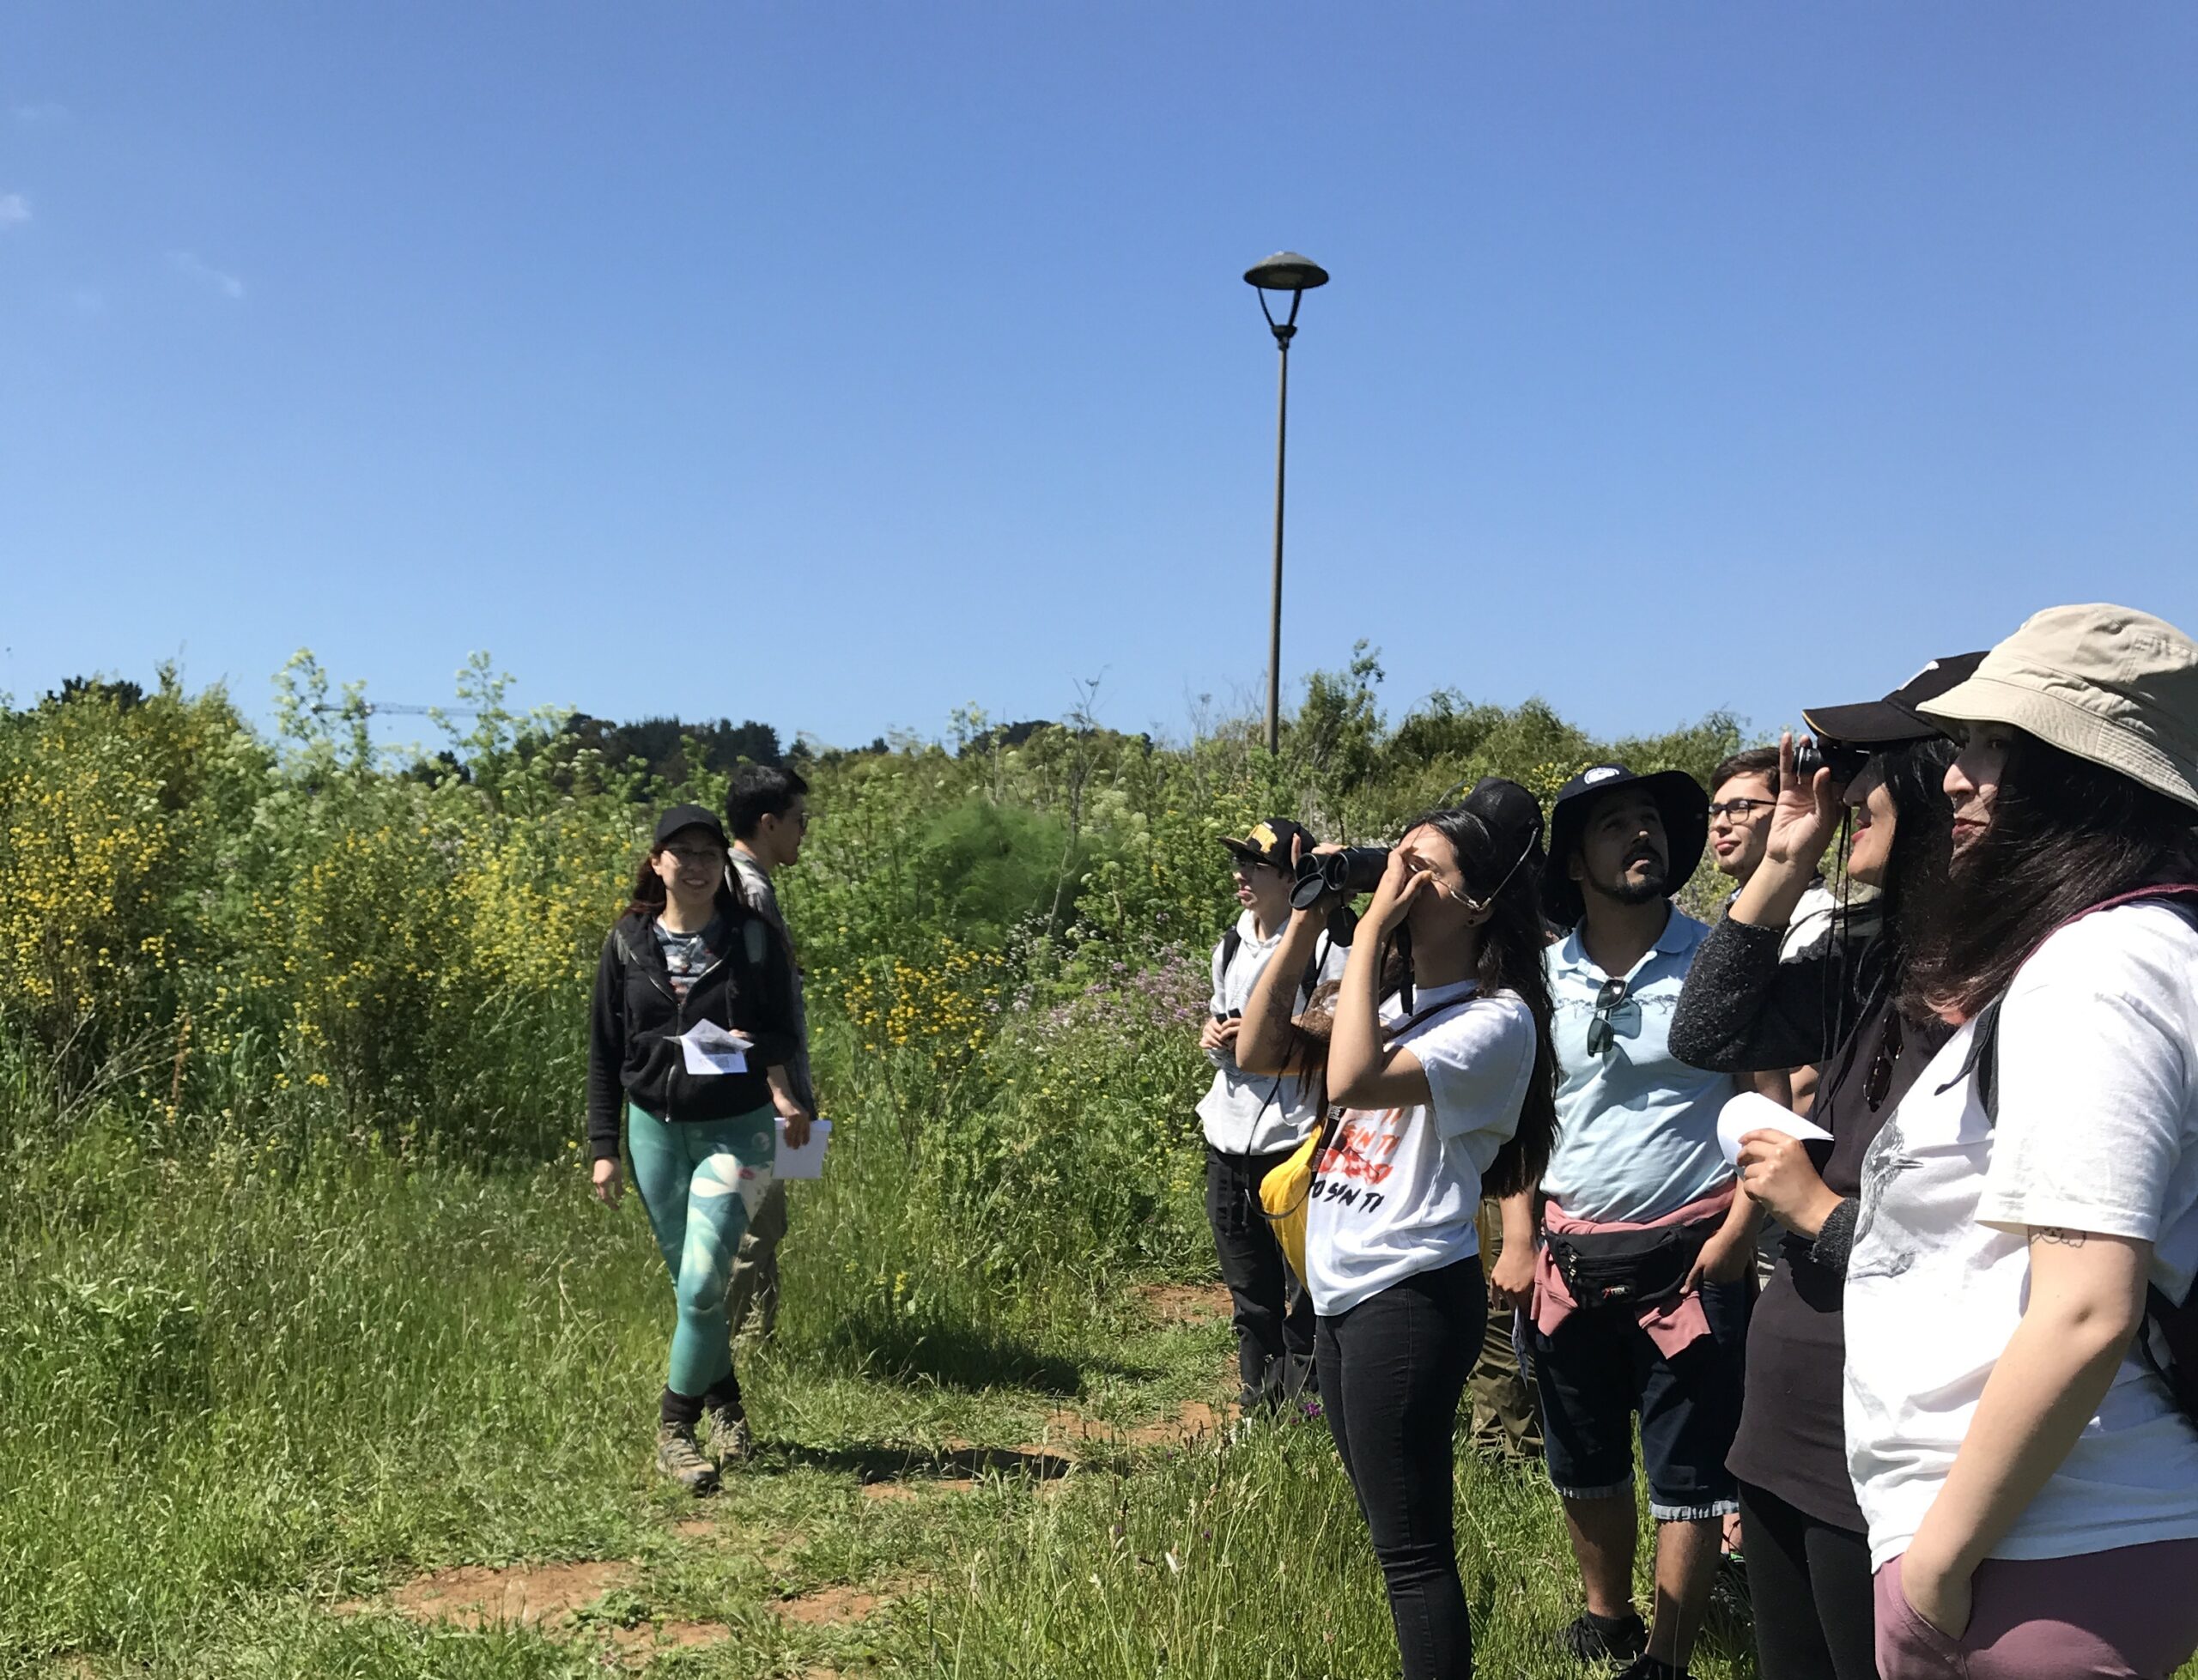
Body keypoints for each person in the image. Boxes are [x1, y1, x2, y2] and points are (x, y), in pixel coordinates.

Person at [1843, 604, 2198, 1680]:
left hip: (2040, 1548)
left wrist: (1937, 1574)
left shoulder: (2100, 971)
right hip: (2042, 1538)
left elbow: (2087, 1306)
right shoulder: (2127, 949)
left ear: (2091, 777)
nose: (1956, 776)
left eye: (2001, 745)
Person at [1668, 652, 1979, 1680]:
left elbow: (2000, 1267)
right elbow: (1707, 1027)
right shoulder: (1871, 955)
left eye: (1863, 766)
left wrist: (1818, 1216)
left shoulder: (2021, 986)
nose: (1838, 791)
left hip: (1896, 1441)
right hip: (1786, 1416)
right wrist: (1786, 858)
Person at [1236, 781, 1561, 1680]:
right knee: (1392, 1541)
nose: (1403, 875)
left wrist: (1371, 925)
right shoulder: (1387, 1004)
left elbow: (1347, 1083)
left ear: (1478, 902)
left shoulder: (1497, 1021)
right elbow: (1260, 1050)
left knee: (1415, 1554)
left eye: (1427, 868)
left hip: (1410, 1294)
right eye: (1399, 858)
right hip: (1343, 1293)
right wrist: (1309, 917)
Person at [1491, 763, 1754, 1680]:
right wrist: (1517, 1235)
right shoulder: (1537, 979)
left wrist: (1743, 1226)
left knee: (1689, 1470)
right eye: (1612, 825)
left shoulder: (1718, 958)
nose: (1639, 834)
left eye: (1649, 820)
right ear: (1571, 862)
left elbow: (1766, 1105)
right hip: (1568, 1256)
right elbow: (1524, 1114)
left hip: (1690, 1253)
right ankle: (1605, 1614)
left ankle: (1668, 1657)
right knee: (1583, 1453)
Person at [586, 804, 812, 1495]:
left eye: (708, 853)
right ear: (656, 861)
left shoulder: (751, 937)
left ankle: (674, 1429)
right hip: (652, 1129)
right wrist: (604, 1146)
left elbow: (784, 1024)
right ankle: (730, 1410)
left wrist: (775, 1079)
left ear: (723, 865)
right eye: (679, 852)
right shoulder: (627, 941)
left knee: (702, 1280)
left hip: (735, 1128)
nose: (695, 864)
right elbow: (603, 1050)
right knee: (696, 1290)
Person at [1196, 817, 1345, 1413]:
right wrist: (1215, 1034)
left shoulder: (1332, 947)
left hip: (1294, 1139)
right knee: (1248, 1291)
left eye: (1256, 865)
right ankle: (1258, 1408)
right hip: (1227, 1137)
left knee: (1308, 1289)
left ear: (1294, 877)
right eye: (1241, 864)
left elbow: (1341, 1034)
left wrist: (1269, 1041)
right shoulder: (1230, 944)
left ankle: (1307, 1407)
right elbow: (1217, 1017)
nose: (1242, 876)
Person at [723, 763, 814, 1344]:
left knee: (764, 1219)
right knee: (756, 1222)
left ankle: (760, 1341)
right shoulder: (750, 888)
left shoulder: (731, 878)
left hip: (753, 1082)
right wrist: (782, 1091)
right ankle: (716, 1355)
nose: (805, 831)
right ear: (768, 822)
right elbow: (752, 1007)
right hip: (763, 1089)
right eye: (800, 820)